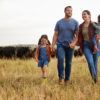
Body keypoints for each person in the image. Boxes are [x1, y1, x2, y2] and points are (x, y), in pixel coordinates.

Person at [52, 6, 79, 84]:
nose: (70, 12)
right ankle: (61, 78)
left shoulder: (75, 22)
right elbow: (56, 34)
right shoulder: (59, 22)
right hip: (60, 45)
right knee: (60, 59)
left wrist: (74, 43)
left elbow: (77, 36)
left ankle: (67, 79)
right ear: (64, 11)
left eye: (71, 11)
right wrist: (53, 45)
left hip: (70, 46)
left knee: (69, 62)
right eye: (68, 10)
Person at [78, 10, 98, 83]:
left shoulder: (94, 24)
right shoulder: (81, 26)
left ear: (89, 15)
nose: (83, 16)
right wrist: (80, 46)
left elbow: (97, 35)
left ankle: (95, 81)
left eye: (85, 14)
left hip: (95, 45)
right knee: (90, 62)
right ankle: (95, 79)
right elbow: (79, 37)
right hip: (86, 45)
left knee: (94, 63)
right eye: (82, 15)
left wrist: (96, 44)